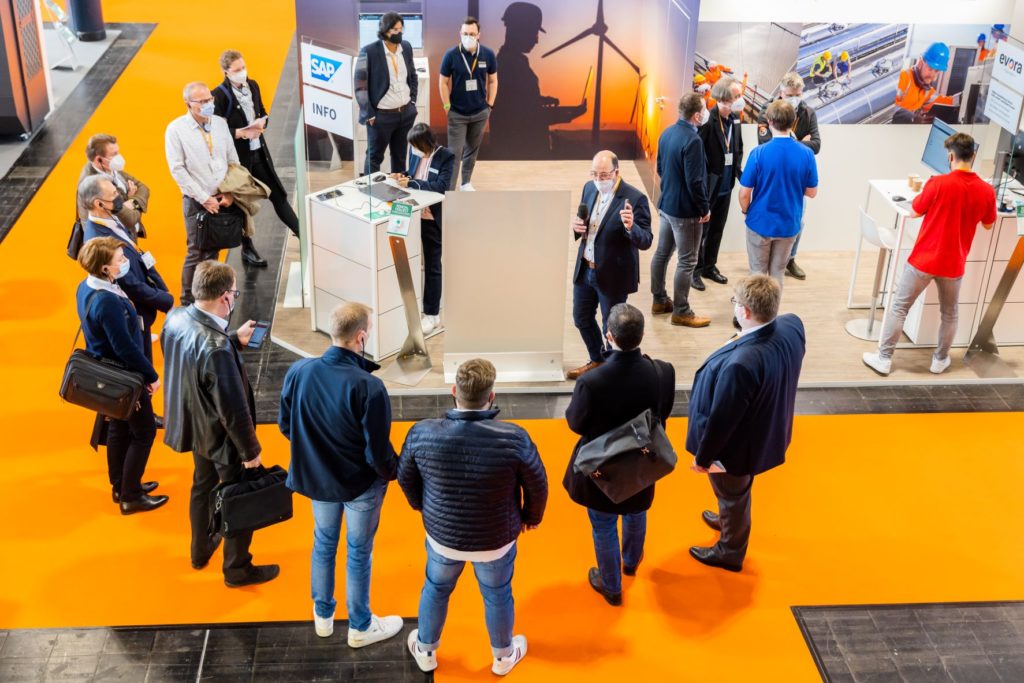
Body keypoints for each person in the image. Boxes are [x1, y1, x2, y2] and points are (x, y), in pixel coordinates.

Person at [399, 358, 547, 676]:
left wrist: (422, 506)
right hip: (496, 541)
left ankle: (425, 649)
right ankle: (503, 656)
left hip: (442, 539)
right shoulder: (514, 438)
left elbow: (405, 477)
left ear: (454, 391)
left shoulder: (421, 433)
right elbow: (537, 483)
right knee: (498, 594)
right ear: (491, 396)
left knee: (435, 589)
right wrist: (531, 517)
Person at [279, 302, 403, 646]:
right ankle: (360, 626)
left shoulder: (299, 371)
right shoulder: (369, 387)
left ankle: (323, 616)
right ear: (360, 337)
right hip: (360, 486)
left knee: (323, 542)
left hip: (318, 480)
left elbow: (287, 426)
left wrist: (316, 452)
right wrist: (394, 473)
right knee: (358, 552)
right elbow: (377, 451)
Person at [161, 260, 279, 588]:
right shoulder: (217, 349)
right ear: (225, 297)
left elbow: (190, 359)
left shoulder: (175, 318)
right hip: (222, 436)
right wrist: (250, 453)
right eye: (234, 294)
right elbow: (233, 409)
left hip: (194, 426)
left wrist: (232, 340)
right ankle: (237, 568)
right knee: (239, 498)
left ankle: (199, 550)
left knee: (202, 486)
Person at [686, 275, 805, 572]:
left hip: (735, 449)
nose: (734, 306)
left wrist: (703, 458)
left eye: (735, 302)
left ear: (745, 311)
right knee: (734, 494)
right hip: (766, 428)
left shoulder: (741, 365)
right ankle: (727, 518)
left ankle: (730, 551)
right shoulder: (792, 325)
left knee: (733, 494)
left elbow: (722, 420)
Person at [563, 304, 674, 605]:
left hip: (603, 469)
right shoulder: (662, 371)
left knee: (603, 525)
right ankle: (631, 561)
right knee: (637, 511)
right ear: (642, 334)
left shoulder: (591, 382)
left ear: (608, 335)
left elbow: (575, 424)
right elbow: (663, 413)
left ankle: (611, 586)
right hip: (643, 463)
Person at [863, 133, 996, 376]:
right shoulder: (986, 191)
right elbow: (988, 224)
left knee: (899, 308)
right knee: (950, 314)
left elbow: (914, 211)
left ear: (950, 157)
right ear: (974, 156)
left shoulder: (937, 183)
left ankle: (883, 359)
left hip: (924, 260)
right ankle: (939, 360)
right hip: (954, 264)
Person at [75, 237, 167, 514]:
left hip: (110, 374)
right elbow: (124, 347)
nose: (125, 261)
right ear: (105, 268)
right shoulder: (107, 302)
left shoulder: (85, 287)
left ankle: (120, 485)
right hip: (124, 376)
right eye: (120, 259)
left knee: (119, 427)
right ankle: (131, 495)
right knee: (144, 432)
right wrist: (150, 375)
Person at [166, 81, 266, 305]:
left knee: (214, 251)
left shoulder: (220, 124)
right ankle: (187, 302)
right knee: (196, 252)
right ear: (188, 104)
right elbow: (177, 169)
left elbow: (233, 160)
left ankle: (208, 298)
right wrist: (204, 198)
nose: (208, 104)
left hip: (223, 199)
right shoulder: (176, 130)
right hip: (197, 201)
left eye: (209, 99)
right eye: (202, 101)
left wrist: (230, 193)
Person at [567, 151, 652, 380]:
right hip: (586, 268)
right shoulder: (589, 188)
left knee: (611, 328)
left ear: (616, 172)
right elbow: (586, 223)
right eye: (594, 174)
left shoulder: (635, 198)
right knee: (581, 317)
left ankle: (613, 374)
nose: (598, 179)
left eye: (604, 175)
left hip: (613, 275)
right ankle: (598, 359)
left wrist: (631, 227)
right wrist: (577, 227)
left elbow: (646, 240)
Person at [79, 176, 172, 362]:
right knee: (142, 364)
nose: (119, 197)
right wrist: (165, 300)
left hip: (141, 308)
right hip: (133, 313)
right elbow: (129, 283)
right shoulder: (98, 241)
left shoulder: (110, 217)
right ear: (98, 203)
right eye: (114, 194)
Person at [214, 49, 300, 239]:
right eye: (237, 70)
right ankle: (247, 247)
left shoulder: (253, 85)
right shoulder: (218, 96)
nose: (242, 72)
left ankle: (301, 233)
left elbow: (262, 111)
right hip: (238, 161)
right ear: (226, 72)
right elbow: (216, 133)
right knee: (241, 206)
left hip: (259, 153)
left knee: (278, 195)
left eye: (243, 67)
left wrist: (262, 123)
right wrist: (241, 133)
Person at [490, 2, 586, 159]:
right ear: (521, 30)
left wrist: (540, 100)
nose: (536, 40)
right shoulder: (510, 66)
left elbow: (519, 102)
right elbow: (526, 117)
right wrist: (567, 115)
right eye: (534, 33)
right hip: (520, 157)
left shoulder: (508, 62)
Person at [739, 100, 818, 288]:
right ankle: (773, 308)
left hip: (760, 222)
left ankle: (754, 308)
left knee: (757, 275)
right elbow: (811, 192)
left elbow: (744, 193)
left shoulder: (758, 153)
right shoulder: (807, 154)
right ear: (794, 121)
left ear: (769, 121)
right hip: (789, 224)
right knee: (777, 275)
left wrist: (746, 211)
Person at [649, 93, 712, 328]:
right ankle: (681, 311)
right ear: (696, 115)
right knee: (687, 261)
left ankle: (659, 301)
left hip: (667, 205)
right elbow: (695, 182)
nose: (705, 113)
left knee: (662, 254)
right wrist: (704, 208)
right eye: (704, 109)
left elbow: (660, 168)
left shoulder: (667, 133)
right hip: (686, 212)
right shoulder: (693, 141)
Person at [391, 123, 454, 335]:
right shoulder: (414, 152)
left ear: (425, 143)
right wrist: (400, 177)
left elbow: (441, 186)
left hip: (430, 219)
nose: (413, 150)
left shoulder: (446, 157)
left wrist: (411, 184)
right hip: (409, 213)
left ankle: (432, 314)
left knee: (432, 265)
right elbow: (412, 173)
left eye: (416, 146)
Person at [757, 72, 822, 281]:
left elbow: (816, 145)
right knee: (769, 219)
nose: (794, 98)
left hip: (796, 179)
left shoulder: (808, 113)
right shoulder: (767, 110)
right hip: (771, 176)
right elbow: (765, 143)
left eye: (798, 94)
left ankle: (789, 259)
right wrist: (800, 142)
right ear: (781, 92)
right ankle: (765, 261)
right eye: (790, 94)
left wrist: (790, 142)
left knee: (798, 222)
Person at [694, 77, 745, 291]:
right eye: (736, 96)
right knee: (702, 231)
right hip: (710, 186)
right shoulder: (708, 121)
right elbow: (699, 154)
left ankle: (709, 266)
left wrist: (740, 174)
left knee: (717, 229)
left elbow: (738, 147)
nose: (740, 99)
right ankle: (695, 270)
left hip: (727, 185)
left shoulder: (735, 119)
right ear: (724, 99)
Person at [354, 12, 418, 175]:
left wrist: (413, 102)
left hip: (405, 114)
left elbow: (412, 75)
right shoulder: (369, 51)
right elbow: (360, 85)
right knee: (374, 157)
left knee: (400, 157)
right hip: (381, 117)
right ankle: (371, 190)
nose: (399, 33)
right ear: (384, 31)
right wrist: (370, 114)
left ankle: (397, 189)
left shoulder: (406, 47)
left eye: (400, 29)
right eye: (395, 30)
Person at [439, 16, 498, 191]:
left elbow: (493, 80)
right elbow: (442, 82)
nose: (468, 37)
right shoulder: (451, 55)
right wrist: (447, 106)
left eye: (472, 34)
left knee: (472, 150)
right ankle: (449, 190)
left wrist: (490, 105)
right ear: (460, 33)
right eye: (465, 33)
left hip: (480, 113)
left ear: (479, 35)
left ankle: (465, 183)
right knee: (454, 154)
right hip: (457, 114)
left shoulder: (488, 54)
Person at [78, 134, 150, 239]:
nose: (119, 157)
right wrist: (132, 200)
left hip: (128, 234)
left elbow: (143, 188)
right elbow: (130, 219)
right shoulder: (93, 185)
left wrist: (131, 202)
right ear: (98, 160)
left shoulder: (108, 168)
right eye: (114, 154)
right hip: (114, 240)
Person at [892, 43, 955, 125]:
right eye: (930, 68)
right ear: (921, 62)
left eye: (936, 71)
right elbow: (891, 109)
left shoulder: (927, 91)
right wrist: (912, 118)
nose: (932, 75)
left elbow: (945, 101)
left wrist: (963, 97)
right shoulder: (904, 78)